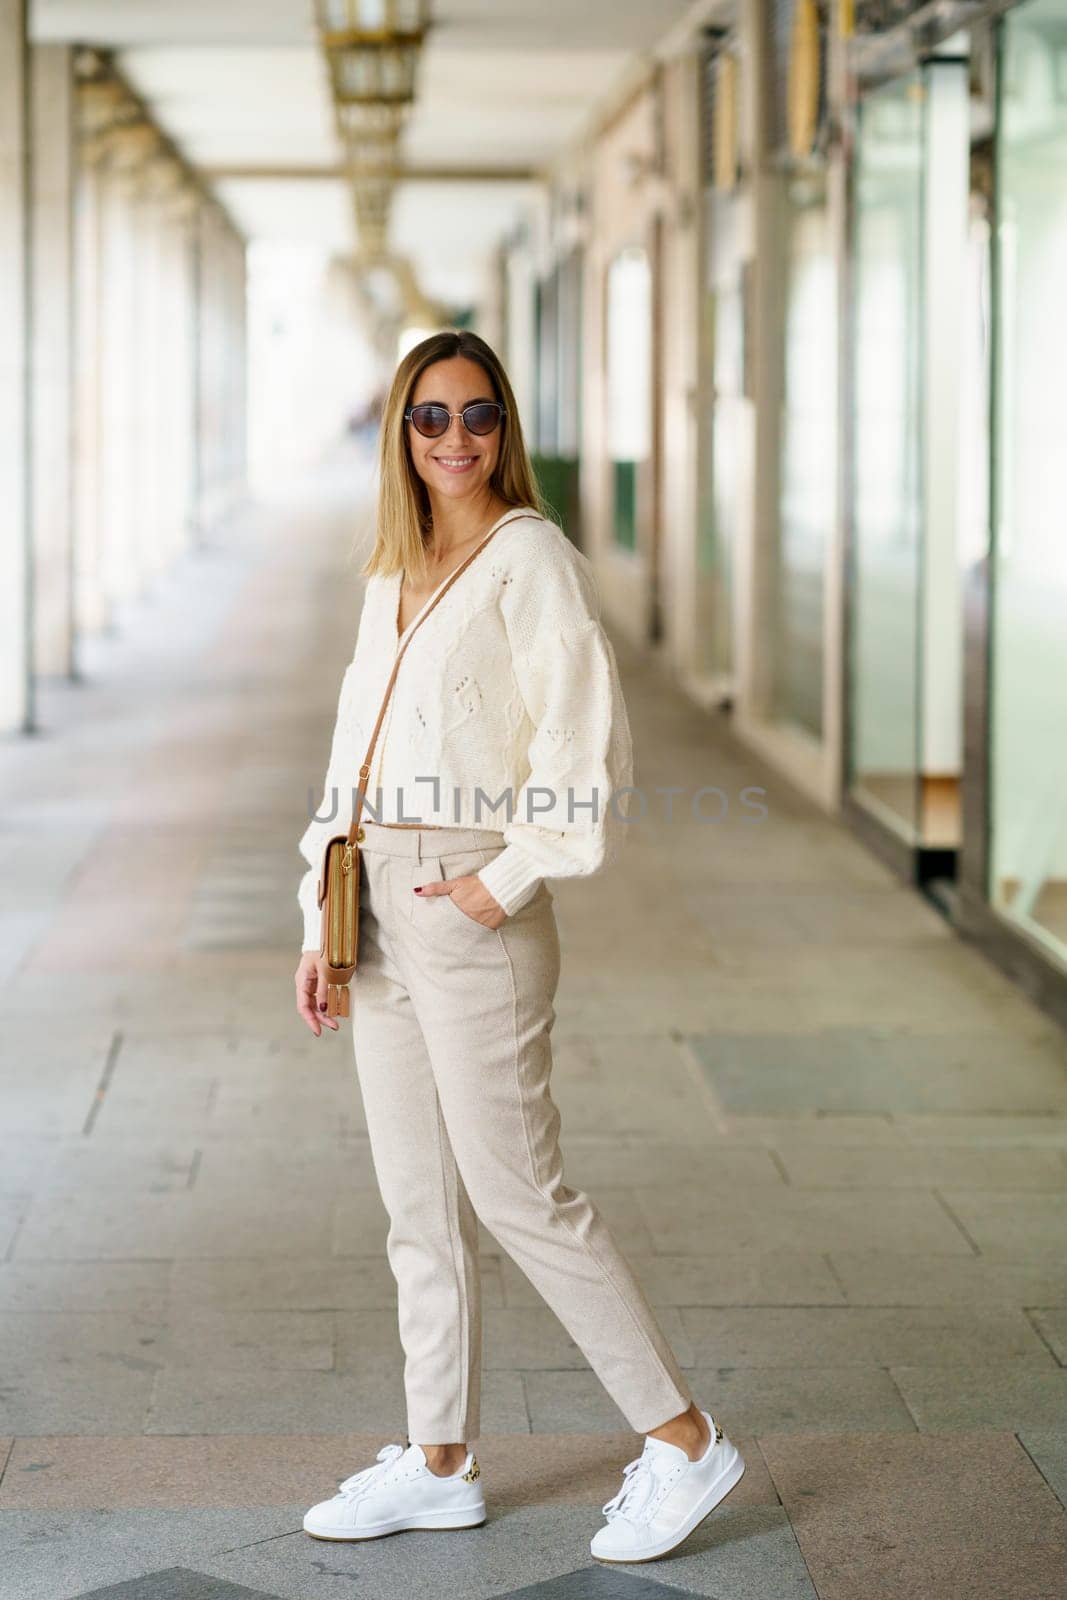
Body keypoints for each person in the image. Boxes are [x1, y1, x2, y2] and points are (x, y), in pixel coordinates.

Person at [293, 329, 745, 1563]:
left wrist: (502, 881)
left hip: (462, 897)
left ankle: (685, 1440)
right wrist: (317, 911)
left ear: (506, 428)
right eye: (428, 418)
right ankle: (438, 1460)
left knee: (518, 1192)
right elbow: (351, 750)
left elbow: (585, 747)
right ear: (399, 431)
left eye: (476, 415)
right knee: (416, 1203)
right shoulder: (394, 566)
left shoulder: (527, 556)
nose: (453, 439)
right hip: (373, 898)